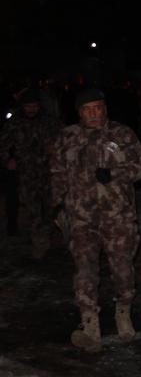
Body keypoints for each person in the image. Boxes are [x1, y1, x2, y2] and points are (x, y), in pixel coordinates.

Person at [50, 88, 141, 352]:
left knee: (122, 267)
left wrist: (116, 173)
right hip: (81, 217)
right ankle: (89, 322)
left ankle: (123, 312)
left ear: (105, 108)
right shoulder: (67, 137)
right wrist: (57, 207)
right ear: (79, 112)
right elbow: (57, 173)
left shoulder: (121, 134)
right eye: (87, 109)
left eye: (98, 107)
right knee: (84, 269)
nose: (93, 113)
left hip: (118, 217)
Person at [0, 87, 62, 256]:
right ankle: (38, 241)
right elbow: (3, 144)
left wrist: (56, 150)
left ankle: (48, 234)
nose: (31, 109)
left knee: (51, 206)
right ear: (22, 106)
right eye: (28, 106)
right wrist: (7, 160)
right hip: (26, 172)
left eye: (34, 105)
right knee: (32, 207)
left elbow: (64, 141)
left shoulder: (50, 121)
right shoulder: (14, 123)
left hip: (49, 171)